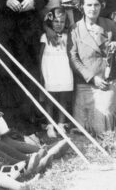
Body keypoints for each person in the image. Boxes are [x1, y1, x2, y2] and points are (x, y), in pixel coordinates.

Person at [68, 0, 116, 133]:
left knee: (102, 123)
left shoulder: (109, 24)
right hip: (86, 83)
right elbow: (73, 58)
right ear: (82, 6)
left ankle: (108, 121)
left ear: (102, 6)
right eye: (89, 5)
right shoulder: (74, 29)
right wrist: (92, 78)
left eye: (96, 5)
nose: (93, 9)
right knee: (82, 127)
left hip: (108, 81)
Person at [39, 8, 73, 136]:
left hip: (63, 69)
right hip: (50, 68)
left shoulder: (67, 36)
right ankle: (50, 125)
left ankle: (61, 124)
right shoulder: (45, 36)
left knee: (63, 97)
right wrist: (41, 73)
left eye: (62, 21)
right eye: (56, 21)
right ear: (50, 22)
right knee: (50, 98)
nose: (59, 24)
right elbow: (41, 56)